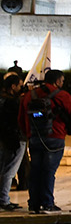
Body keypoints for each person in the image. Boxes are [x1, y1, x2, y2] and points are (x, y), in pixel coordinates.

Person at [20, 69, 71, 213]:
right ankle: (47, 203)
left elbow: (21, 119)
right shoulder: (62, 95)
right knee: (48, 171)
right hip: (55, 137)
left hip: (35, 138)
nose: (62, 83)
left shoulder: (29, 95)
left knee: (35, 171)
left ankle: (34, 204)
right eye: (62, 81)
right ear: (57, 81)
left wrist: (29, 134)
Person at [0, 73, 25, 210]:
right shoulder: (12, 102)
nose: (22, 88)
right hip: (14, 139)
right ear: (13, 86)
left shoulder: (2, 99)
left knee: (3, 169)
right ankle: (3, 199)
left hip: (4, 138)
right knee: (9, 171)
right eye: (20, 86)